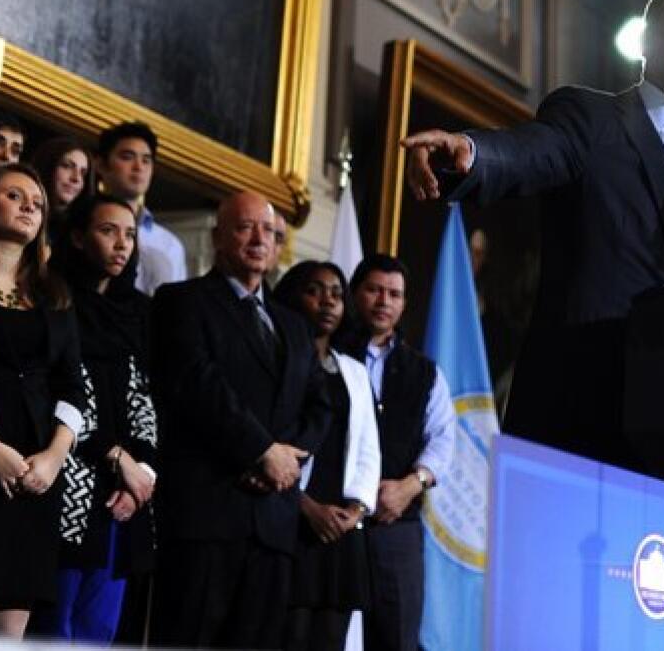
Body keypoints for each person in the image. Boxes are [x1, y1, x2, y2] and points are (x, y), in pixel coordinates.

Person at [401, 0, 664, 466]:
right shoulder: (592, 118)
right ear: (644, 41)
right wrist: (472, 154)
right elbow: (530, 152)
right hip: (575, 420)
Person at [150, 191, 331, 649]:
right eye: (244, 227)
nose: (258, 239)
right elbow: (198, 385)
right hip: (207, 515)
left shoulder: (295, 324)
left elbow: (318, 404)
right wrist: (260, 452)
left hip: (273, 522)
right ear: (217, 237)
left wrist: (284, 460)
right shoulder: (181, 301)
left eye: (268, 231)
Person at [0, 163, 85, 637]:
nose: (31, 206)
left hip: (34, 473)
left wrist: (53, 457)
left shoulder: (56, 295)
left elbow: (73, 386)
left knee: (10, 632)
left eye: (37, 202)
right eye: (15, 195)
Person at [31, 194, 157, 643]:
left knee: (98, 633)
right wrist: (114, 456)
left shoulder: (138, 313)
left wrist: (139, 472)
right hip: (71, 485)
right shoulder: (55, 299)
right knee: (54, 628)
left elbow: (144, 398)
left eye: (129, 234)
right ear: (80, 237)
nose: (122, 244)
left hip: (124, 497)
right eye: (108, 231)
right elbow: (58, 394)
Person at [338, 254, 454, 651]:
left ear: (404, 304)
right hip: (330, 523)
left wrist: (410, 485)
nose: (383, 301)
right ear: (355, 295)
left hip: (396, 527)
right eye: (374, 290)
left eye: (394, 294)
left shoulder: (425, 372)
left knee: (397, 639)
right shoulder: (328, 352)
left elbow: (442, 439)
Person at [273, 260, 380, 651]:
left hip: (341, 529)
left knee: (330, 639)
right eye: (314, 291)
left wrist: (355, 511)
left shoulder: (354, 371)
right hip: (293, 518)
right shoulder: (279, 359)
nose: (328, 302)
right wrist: (305, 506)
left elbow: (369, 448)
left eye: (337, 293)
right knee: (291, 636)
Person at [95, 122, 186, 295]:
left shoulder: (171, 245)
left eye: (146, 160)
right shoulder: (84, 227)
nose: (139, 167)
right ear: (101, 164)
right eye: (127, 157)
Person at [29, 137, 94, 237]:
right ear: (47, 166)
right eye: (67, 166)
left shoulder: (81, 231)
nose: (76, 178)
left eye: (83, 173)